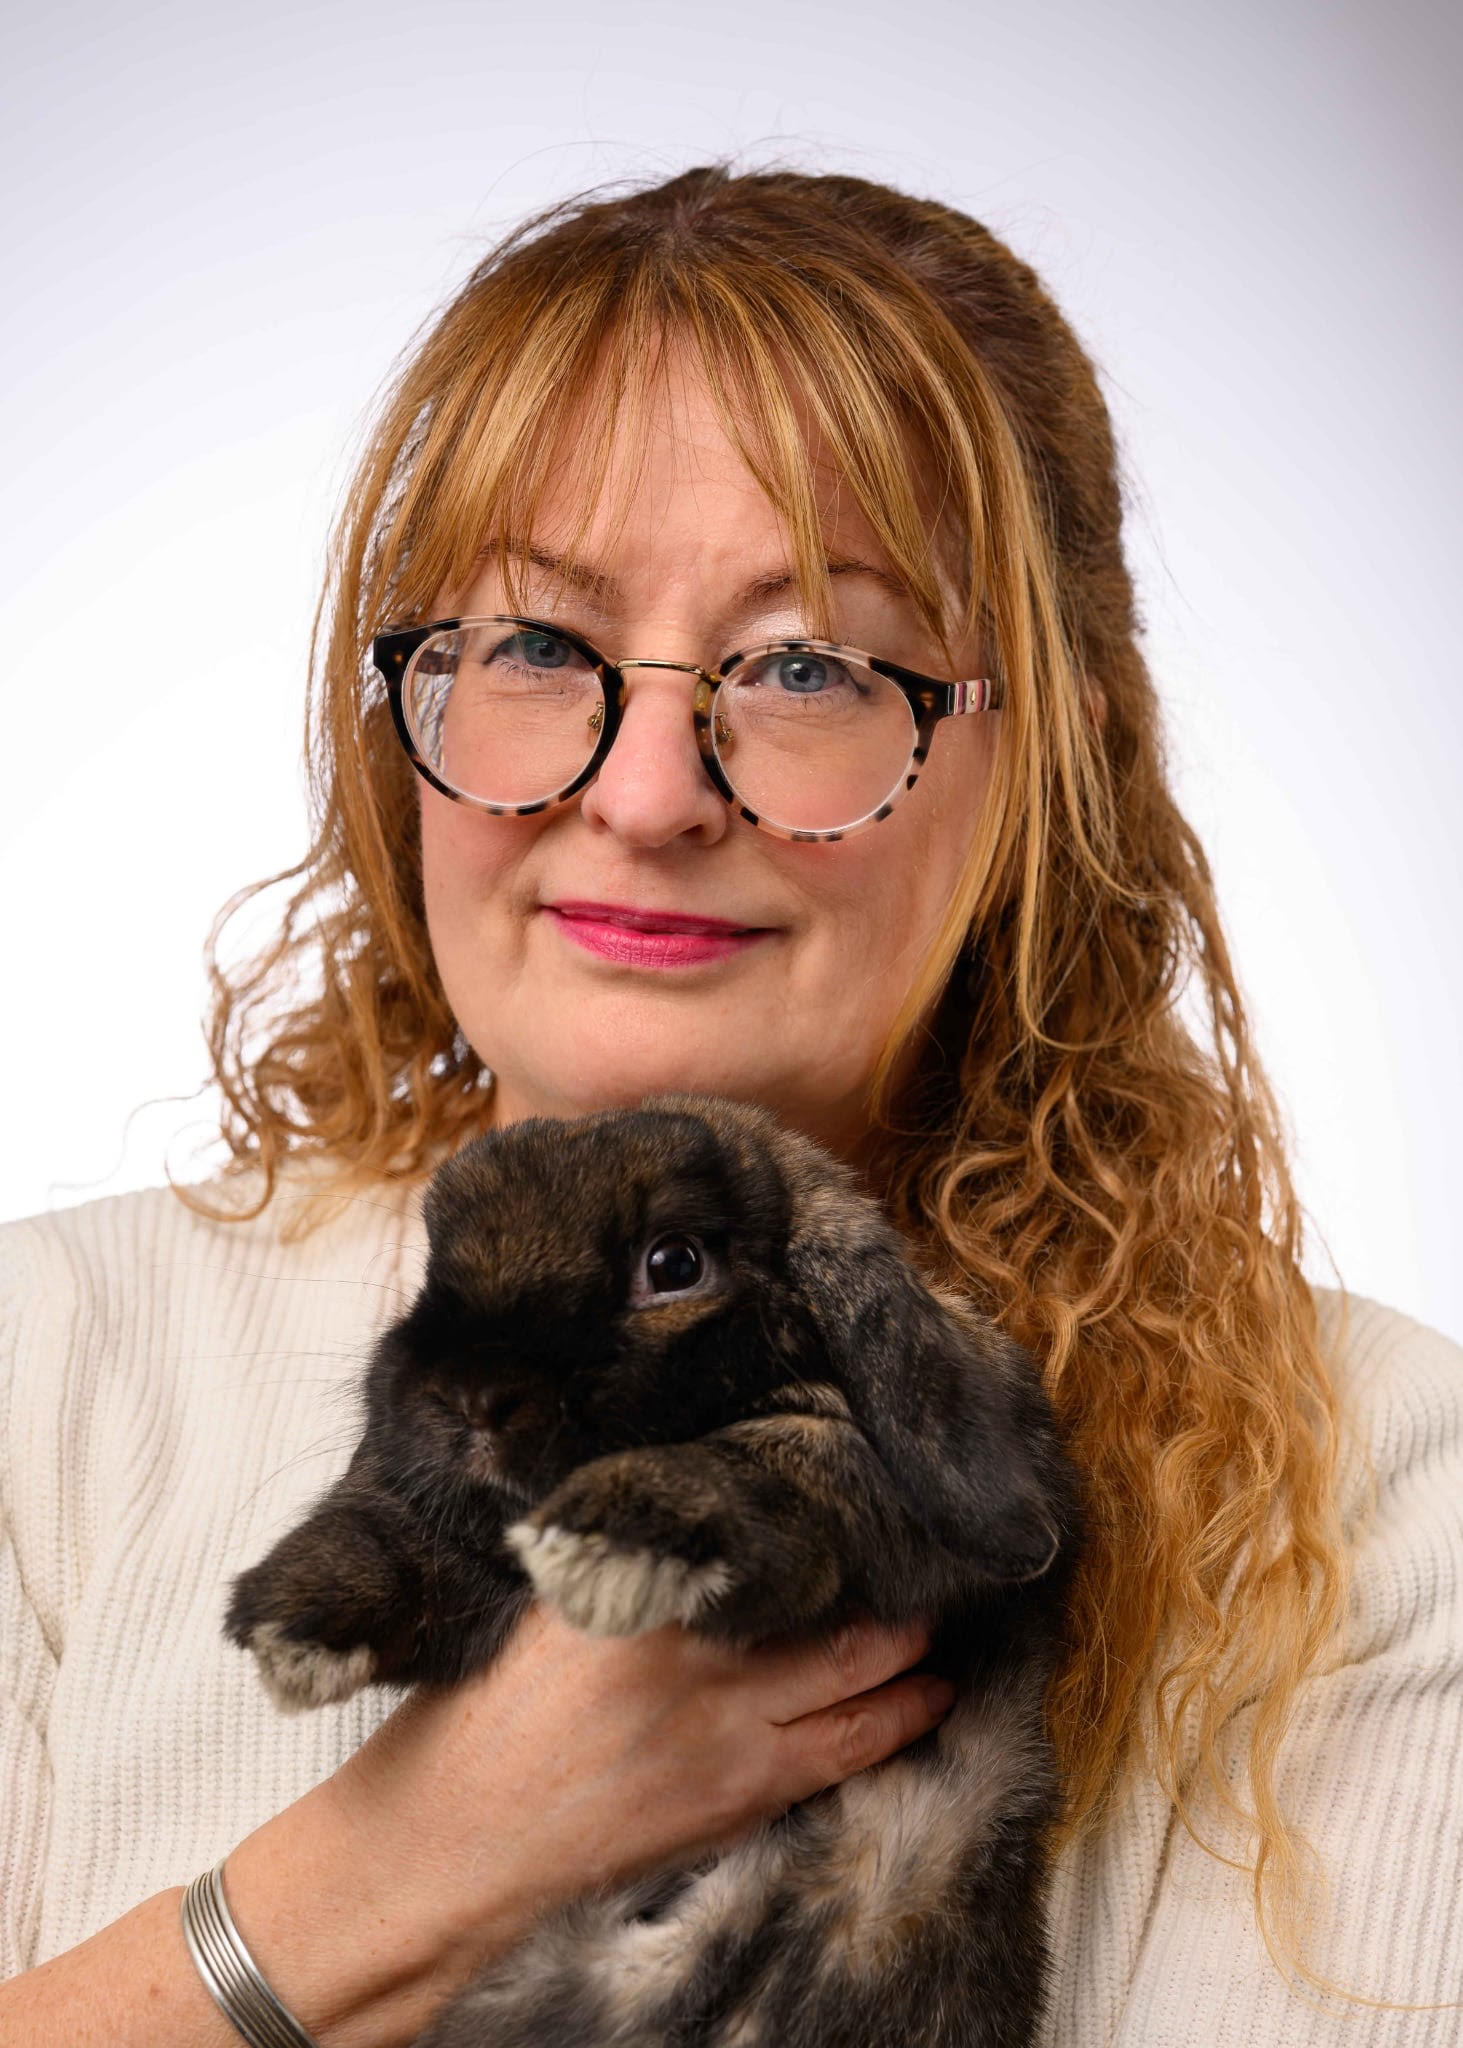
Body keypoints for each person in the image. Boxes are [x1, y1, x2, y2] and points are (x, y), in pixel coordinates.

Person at [1, 166, 1458, 2047]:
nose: (651, 794)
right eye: (537, 646)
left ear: (1052, 768)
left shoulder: (1374, 1501)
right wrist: (402, 1869)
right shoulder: (44, 1377)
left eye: (806, 667)